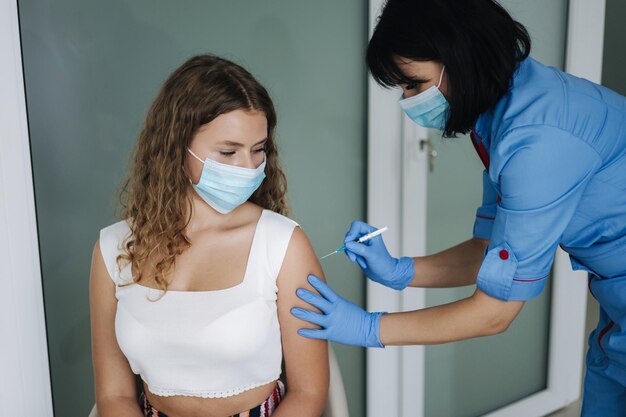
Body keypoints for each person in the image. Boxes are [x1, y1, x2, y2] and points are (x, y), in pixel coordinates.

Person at [291, 0, 626, 414]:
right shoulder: (503, 111)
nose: (408, 101)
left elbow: (493, 314)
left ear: (460, 58)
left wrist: (367, 327)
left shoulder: (537, 140)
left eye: (414, 84)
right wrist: (400, 270)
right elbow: (490, 252)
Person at [90, 54, 329, 417]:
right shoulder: (114, 249)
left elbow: (309, 393)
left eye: (258, 150)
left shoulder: (282, 245)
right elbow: (114, 396)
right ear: (176, 145)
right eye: (228, 152)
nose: (249, 168)